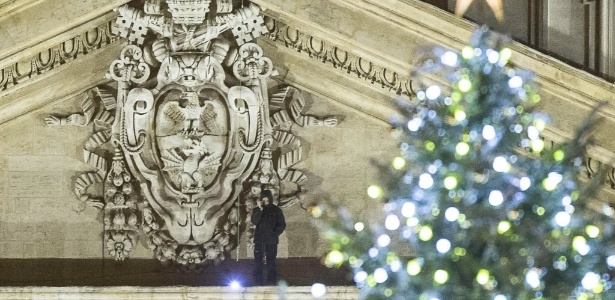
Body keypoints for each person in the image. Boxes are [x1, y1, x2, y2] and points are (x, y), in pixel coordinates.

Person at [251, 189, 286, 285]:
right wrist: (260, 209)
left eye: (266, 199)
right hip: (259, 240)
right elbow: (254, 221)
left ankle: (271, 282)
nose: (265, 201)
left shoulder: (276, 210)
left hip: (271, 240)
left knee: (271, 261)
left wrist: (274, 233)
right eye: (263, 199)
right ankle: (258, 282)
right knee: (258, 261)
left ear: (270, 198)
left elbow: (282, 224)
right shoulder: (257, 210)